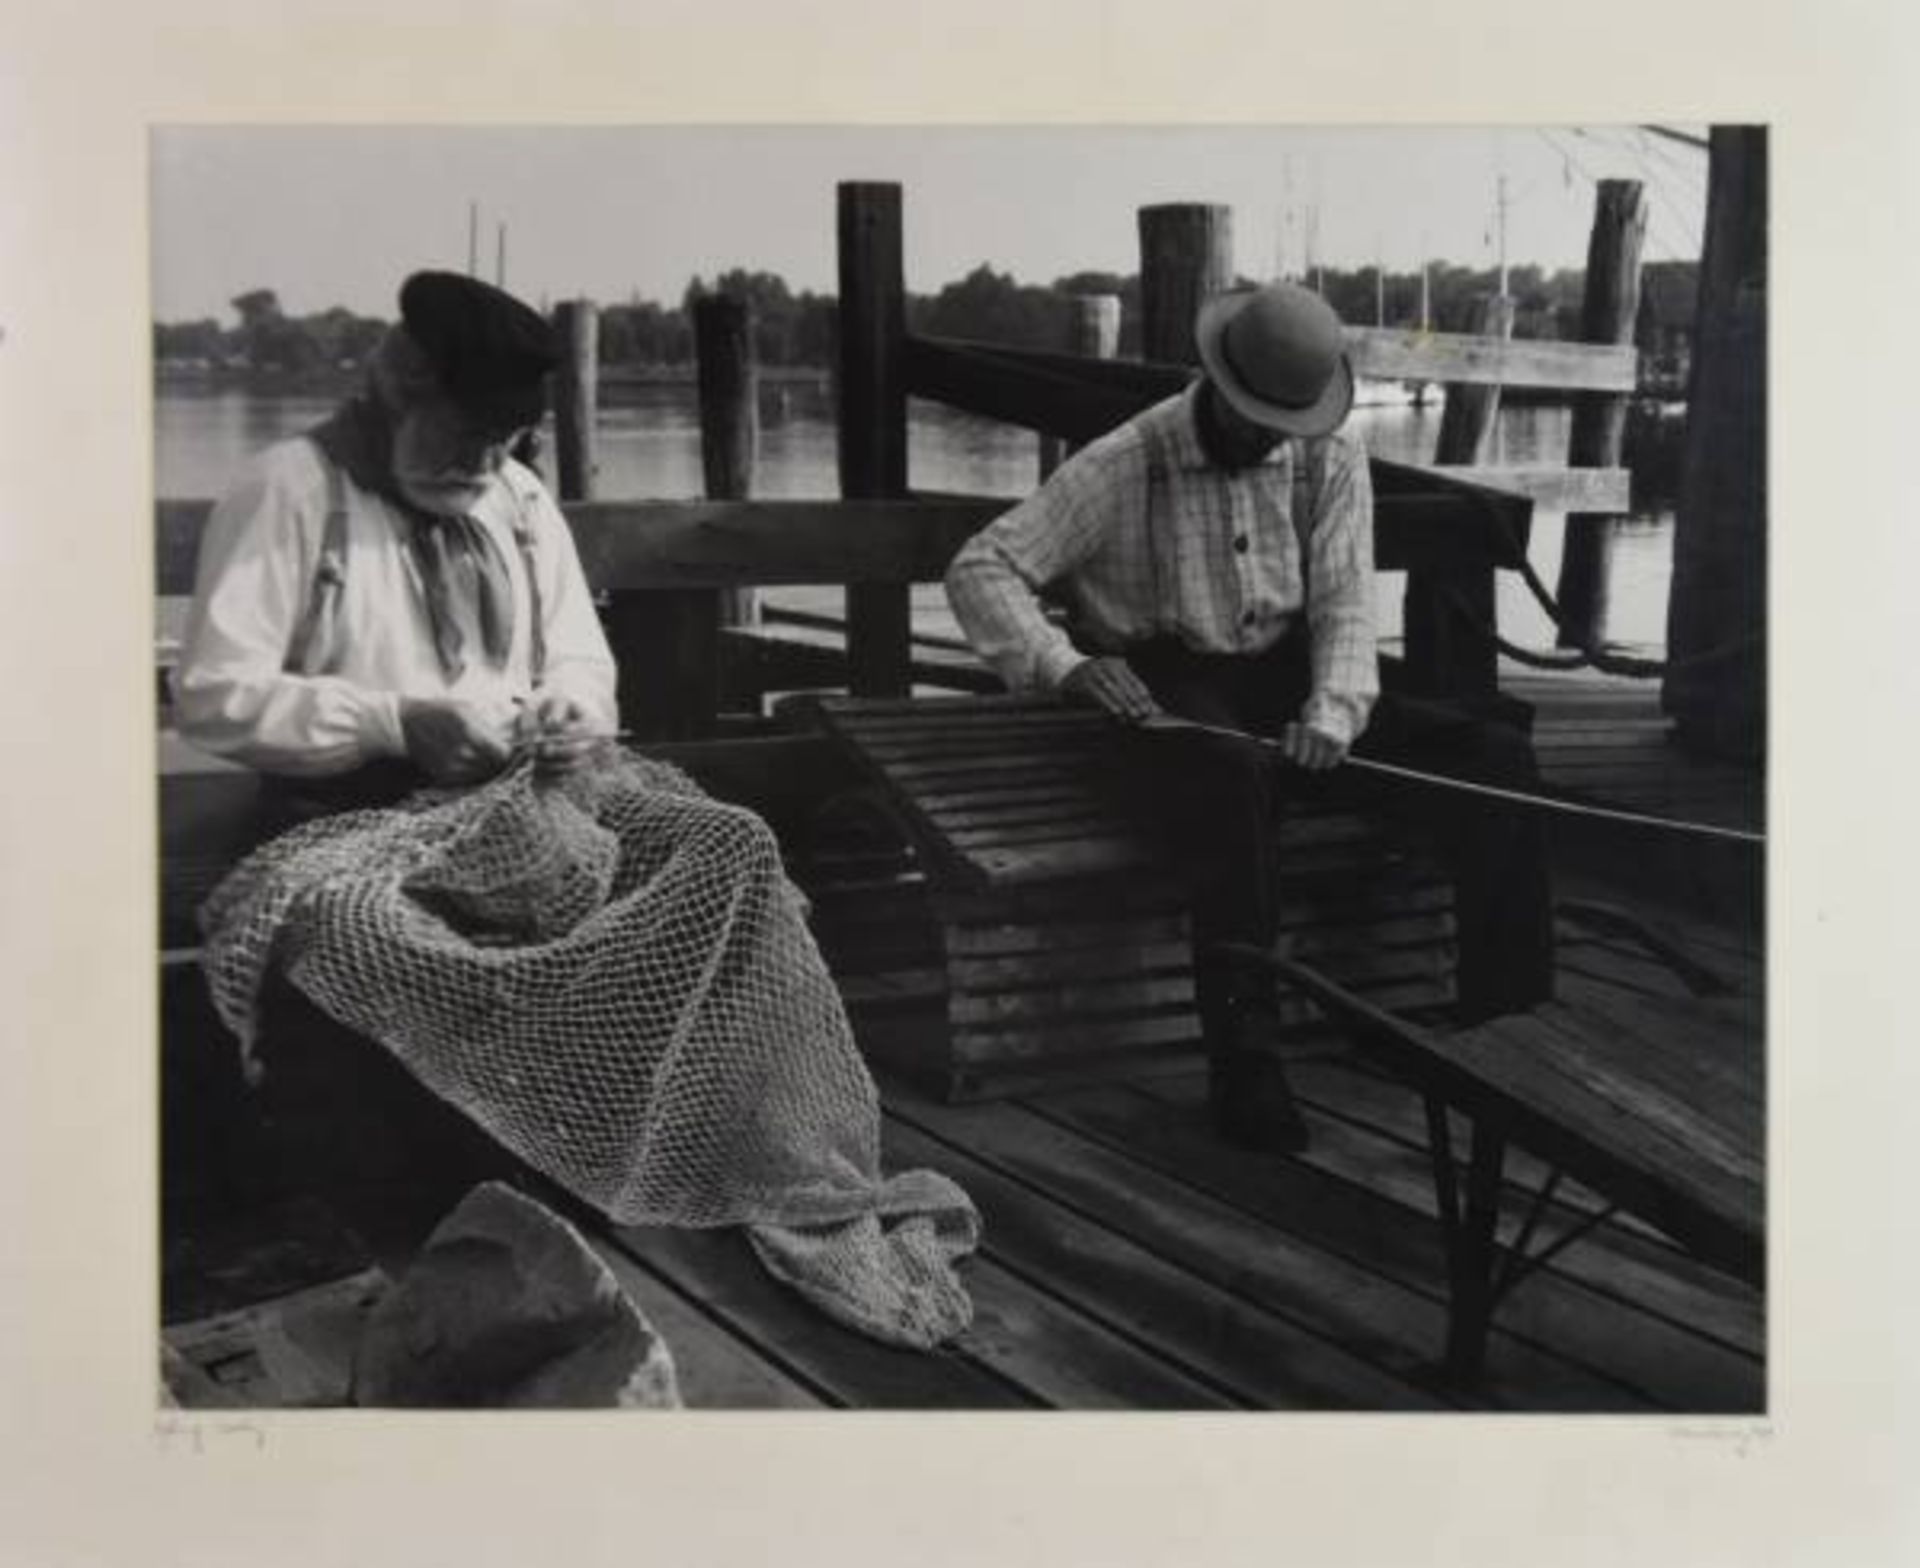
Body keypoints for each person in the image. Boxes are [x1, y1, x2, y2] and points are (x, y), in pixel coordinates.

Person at [945, 280, 1554, 1154]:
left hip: (1288, 672)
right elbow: (981, 569)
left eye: (1286, 421)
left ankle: (1512, 1037)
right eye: (1254, 414)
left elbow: (1345, 608)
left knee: (1494, 754)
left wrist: (1333, 715)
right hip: (1170, 679)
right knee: (1232, 781)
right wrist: (1069, 667)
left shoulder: (1328, 460)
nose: (1270, 435)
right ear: (1216, 384)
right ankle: (1248, 1068)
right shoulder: (1128, 459)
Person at [175, 270, 615, 805]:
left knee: (730, 841)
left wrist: (571, 712)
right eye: (460, 435)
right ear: (395, 403)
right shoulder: (291, 490)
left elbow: (580, 660)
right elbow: (214, 695)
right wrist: (393, 725)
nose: (481, 465)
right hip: (339, 824)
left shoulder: (519, 497)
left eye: (503, 440)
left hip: (518, 809)